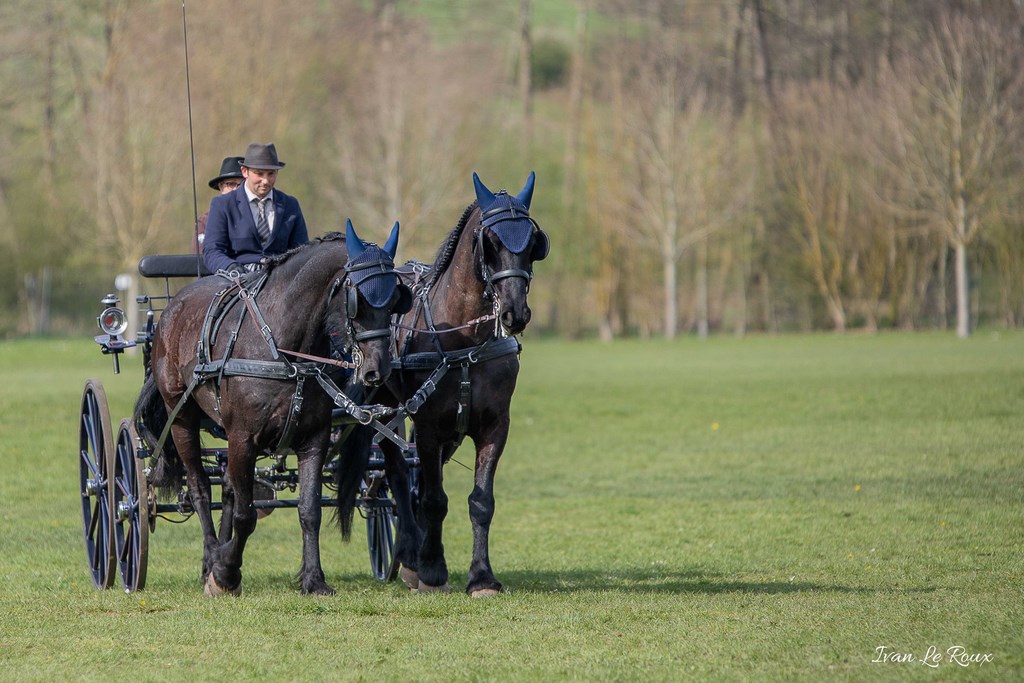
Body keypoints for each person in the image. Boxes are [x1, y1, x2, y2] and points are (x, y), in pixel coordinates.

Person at [202, 142, 310, 274]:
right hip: (237, 280)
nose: (265, 181)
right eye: (259, 174)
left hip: (280, 280)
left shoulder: (290, 205)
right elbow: (212, 251)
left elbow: (302, 251)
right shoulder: (223, 205)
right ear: (244, 171)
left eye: (271, 174)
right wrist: (231, 267)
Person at [193, 155, 244, 253]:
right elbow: (204, 258)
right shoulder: (205, 222)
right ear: (221, 187)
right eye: (231, 184)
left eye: (243, 184)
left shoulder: (261, 217)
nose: (237, 189)